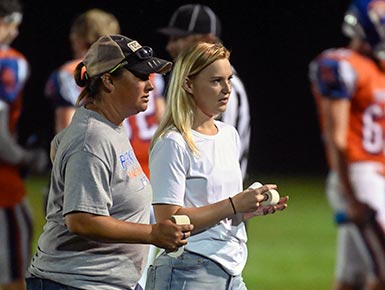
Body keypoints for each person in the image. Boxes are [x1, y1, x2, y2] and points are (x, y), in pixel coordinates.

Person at [25, 34, 193, 290]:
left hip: (98, 281)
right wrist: (152, 233)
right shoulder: (92, 137)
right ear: (108, 81)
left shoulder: (106, 127)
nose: (150, 85)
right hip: (75, 282)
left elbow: (60, 144)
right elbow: (82, 220)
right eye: (140, 76)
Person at [145, 41, 289, 290]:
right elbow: (168, 221)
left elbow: (212, 205)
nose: (227, 89)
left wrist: (246, 210)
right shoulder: (173, 142)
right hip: (187, 270)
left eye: (229, 79)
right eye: (216, 81)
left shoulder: (228, 134)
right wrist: (233, 204)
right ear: (188, 84)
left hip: (231, 269)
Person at [309, 0, 385, 289]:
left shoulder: (377, 68)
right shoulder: (341, 64)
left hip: (373, 177)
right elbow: (337, 137)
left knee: (350, 280)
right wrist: (350, 194)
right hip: (359, 177)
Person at [156, 3, 251, 180]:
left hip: (217, 194)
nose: (170, 47)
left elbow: (214, 152)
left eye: (178, 38)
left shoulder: (226, 89)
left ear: (207, 39)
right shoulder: (187, 82)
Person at [0, 0, 47, 289]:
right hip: (3, 190)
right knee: (16, 277)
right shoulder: (9, 62)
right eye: (13, 24)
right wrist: (27, 158)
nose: (15, 33)